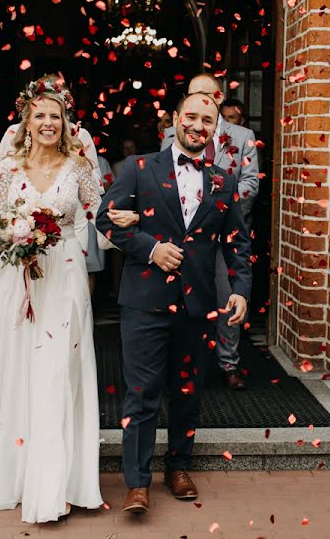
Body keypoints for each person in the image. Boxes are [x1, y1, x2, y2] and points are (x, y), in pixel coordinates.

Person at [96, 91, 253, 514]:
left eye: (208, 120)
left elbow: (237, 241)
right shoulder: (139, 167)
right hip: (144, 301)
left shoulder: (225, 180)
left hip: (197, 303)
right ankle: (137, 481)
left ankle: (179, 465)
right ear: (175, 119)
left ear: (215, 129)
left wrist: (239, 288)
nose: (198, 126)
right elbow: (106, 217)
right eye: (192, 117)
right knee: (142, 392)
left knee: (187, 390)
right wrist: (151, 249)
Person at [0, 77, 104, 523]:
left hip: (65, 280)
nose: (49, 122)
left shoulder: (79, 167)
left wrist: (132, 228)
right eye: (41, 115)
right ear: (27, 121)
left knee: (59, 374)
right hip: (20, 283)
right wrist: (15, 240)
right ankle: (22, 474)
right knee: (18, 374)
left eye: (56, 115)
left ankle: (59, 483)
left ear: (66, 121)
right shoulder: (7, 171)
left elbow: (100, 215)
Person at [161, 74, 259, 390]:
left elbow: (250, 183)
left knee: (226, 296)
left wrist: (217, 209)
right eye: (195, 94)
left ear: (219, 96)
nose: (204, 98)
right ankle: (180, 363)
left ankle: (229, 362)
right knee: (178, 300)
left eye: (209, 93)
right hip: (183, 237)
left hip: (223, 233)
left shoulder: (242, 136)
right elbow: (164, 179)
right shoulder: (170, 134)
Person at [85, 154, 113, 295]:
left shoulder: (101, 162)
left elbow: (109, 184)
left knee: (90, 264)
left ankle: (88, 307)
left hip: (92, 212)